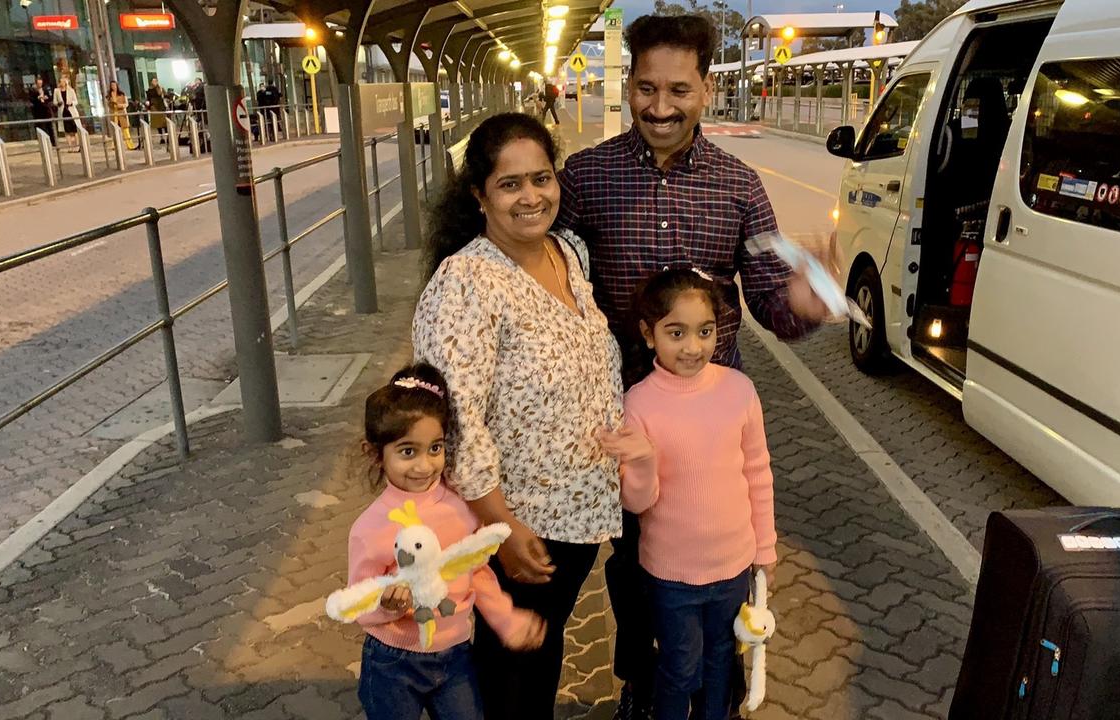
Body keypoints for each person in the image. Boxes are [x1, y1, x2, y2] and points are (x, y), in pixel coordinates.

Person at [553, 14, 831, 719]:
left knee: (716, 572)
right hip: (627, 420)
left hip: (712, 428)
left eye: (678, 89)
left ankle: (716, 685)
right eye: (646, 88)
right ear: (630, 87)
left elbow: (772, 302)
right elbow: (549, 279)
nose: (660, 106)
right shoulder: (587, 178)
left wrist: (804, 302)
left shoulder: (739, 185)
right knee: (632, 565)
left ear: (706, 89)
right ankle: (640, 684)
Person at [412, 112, 624, 720]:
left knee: (539, 648)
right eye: (510, 185)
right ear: (479, 195)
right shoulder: (467, 283)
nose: (532, 196)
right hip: (519, 520)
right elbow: (453, 420)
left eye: (542, 178)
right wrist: (499, 528)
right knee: (510, 666)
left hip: (578, 510)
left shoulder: (567, 251)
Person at [600, 268, 776, 720]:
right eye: (676, 333)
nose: (693, 346)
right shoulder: (638, 402)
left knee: (723, 663)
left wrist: (765, 548)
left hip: (734, 566)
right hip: (670, 575)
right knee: (680, 667)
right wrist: (641, 461)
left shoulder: (739, 390)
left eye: (705, 331)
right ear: (648, 333)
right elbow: (637, 503)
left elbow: (758, 472)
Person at [347, 362, 547, 720]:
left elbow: (476, 571)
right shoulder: (369, 527)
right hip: (393, 661)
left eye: (435, 448)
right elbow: (357, 600)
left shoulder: (459, 509)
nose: (424, 465)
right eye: (408, 451)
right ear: (376, 452)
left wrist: (505, 619)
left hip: (456, 656)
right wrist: (386, 604)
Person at [52, 77, 80, 151]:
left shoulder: (71, 90)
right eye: (60, 82)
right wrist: (58, 103)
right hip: (63, 112)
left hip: (71, 111)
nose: (61, 83)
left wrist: (71, 103)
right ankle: (70, 147)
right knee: (66, 130)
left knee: (75, 129)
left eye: (63, 82)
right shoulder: (56, 91)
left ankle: (77, 146)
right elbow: (54, 102)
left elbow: (76, 101)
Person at [107, 81, 135, 150]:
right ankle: (115, 145)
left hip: (121, 112)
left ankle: (130, 145)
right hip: (114, 113)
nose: (113, 86)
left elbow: (126, 104)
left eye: (114, 85)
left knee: (125, 130)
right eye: (112, 85)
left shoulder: (122, 94)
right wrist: (112, 102)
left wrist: (121, 106)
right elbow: (109, 105)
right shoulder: (109, 95)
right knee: (115, 130)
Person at [30, 76, 56, 146]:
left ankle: (53, 142)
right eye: (38, 83)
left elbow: (50, 97)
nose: (39, 85)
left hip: (46, 110)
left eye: (41, 83)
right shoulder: (33, 90)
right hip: (38, 111)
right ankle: (43, 142)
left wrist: (46, 98)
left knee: (50, 127)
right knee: (40, 127)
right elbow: (31, 99)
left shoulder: (45, 89)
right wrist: (38, 98)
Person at [147, 77, 168, 144]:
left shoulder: (161, 88)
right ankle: (161, 137)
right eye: (153, 81)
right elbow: (148, 99)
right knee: (158, 124)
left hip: (161, 107)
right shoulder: (150, 90)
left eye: (155, 81)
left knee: (164, 123)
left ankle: (167, 136)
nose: (154, 82)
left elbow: (165, 95)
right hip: (154, 108)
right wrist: (149, 106)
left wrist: (160, 90)